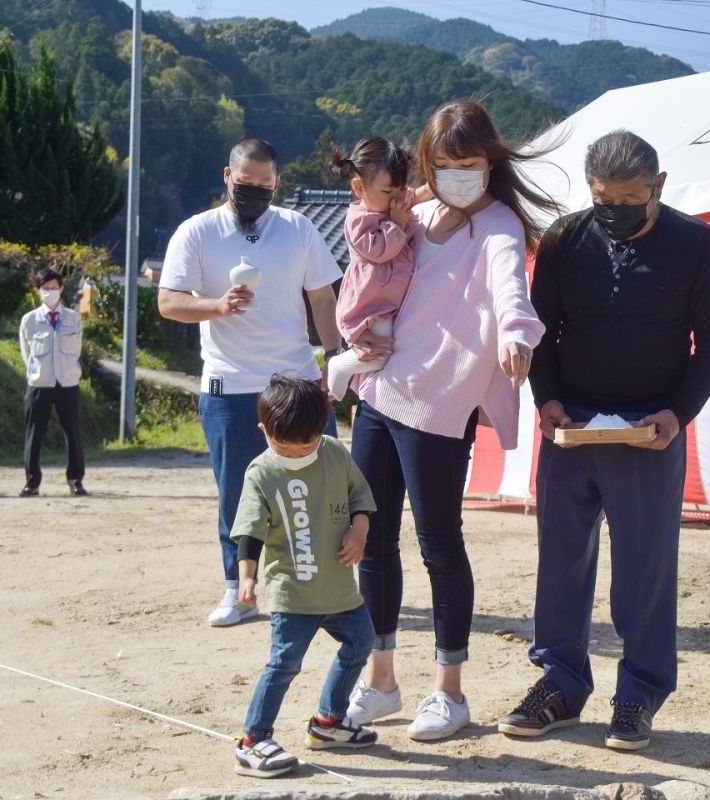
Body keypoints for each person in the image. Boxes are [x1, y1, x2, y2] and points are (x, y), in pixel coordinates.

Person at [500, 130, 710, 751]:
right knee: (561, 560)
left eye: (630, 198)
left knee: (645, 568)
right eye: (603, 198)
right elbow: (542, 330)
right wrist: (543, 398)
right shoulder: (565, 239)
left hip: (649, 428)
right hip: (570, 425)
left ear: (659, 187)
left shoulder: (697, 244)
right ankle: (559, 683)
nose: (615, 210)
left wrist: (678, 414)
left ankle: (639, 693)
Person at [343, 98, 555, 741]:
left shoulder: (496, 225)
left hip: (439, 402)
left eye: (470, 163)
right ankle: (380, 679)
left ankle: (449, 691)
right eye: (445, 164)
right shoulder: (416, 211)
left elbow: (509, 288)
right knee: (371, 539)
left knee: (439, 543)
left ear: (489, 162)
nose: (459, 174)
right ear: (426, 165)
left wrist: (518, 336)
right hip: (378, 390)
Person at [158, 137, 344, 627]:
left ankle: (325, 586)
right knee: (238, 496)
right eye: (246, 184)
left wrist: (336, 357)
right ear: (227, 177)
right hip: (229, 385)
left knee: (323, 488)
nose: (255, 194)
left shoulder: (298, 228)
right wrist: (216, 306)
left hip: (298, 381)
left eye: (265, 186)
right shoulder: (198, 232)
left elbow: (323, 298)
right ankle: (238, 591)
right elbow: (169, 301)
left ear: (277, 183)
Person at [231, 375, 378, 778]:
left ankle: (329, 722)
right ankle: (253, 740)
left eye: (307, 444)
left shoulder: (333, 452)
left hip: (339, 591)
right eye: (285, 446)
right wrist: (246, 578)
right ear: (264, 430)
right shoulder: (261, 473)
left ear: (322, 429)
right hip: (292, 594)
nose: (298, 452)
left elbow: (359, 498)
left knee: (361, 641)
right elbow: (249, 531)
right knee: (284, 664)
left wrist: (359, 529)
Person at [324, 137, 415, 401]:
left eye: (401, 190)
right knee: (379, 356)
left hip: (385, 301)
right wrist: (396, 225)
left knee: (383, 353)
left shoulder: (392, 204)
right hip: (371, 306)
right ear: (358, 187)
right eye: (388, 193)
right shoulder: (358, 219)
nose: (397, 200)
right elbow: (381, 251)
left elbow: (415, 195)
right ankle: (340, 366)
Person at [18, 267, 86, 497]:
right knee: (34, 434)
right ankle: (32, 482)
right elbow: (26, 353)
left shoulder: (73, 318)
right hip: (40, 384)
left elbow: (76, 349)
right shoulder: (29, 320)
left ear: (61, 289)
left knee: (73, 433)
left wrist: (69, 371)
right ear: (37, 291)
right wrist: (37, 373)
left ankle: (76, 481)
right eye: (45, 289)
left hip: (67, 383)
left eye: (54, 288)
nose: (50, 293)